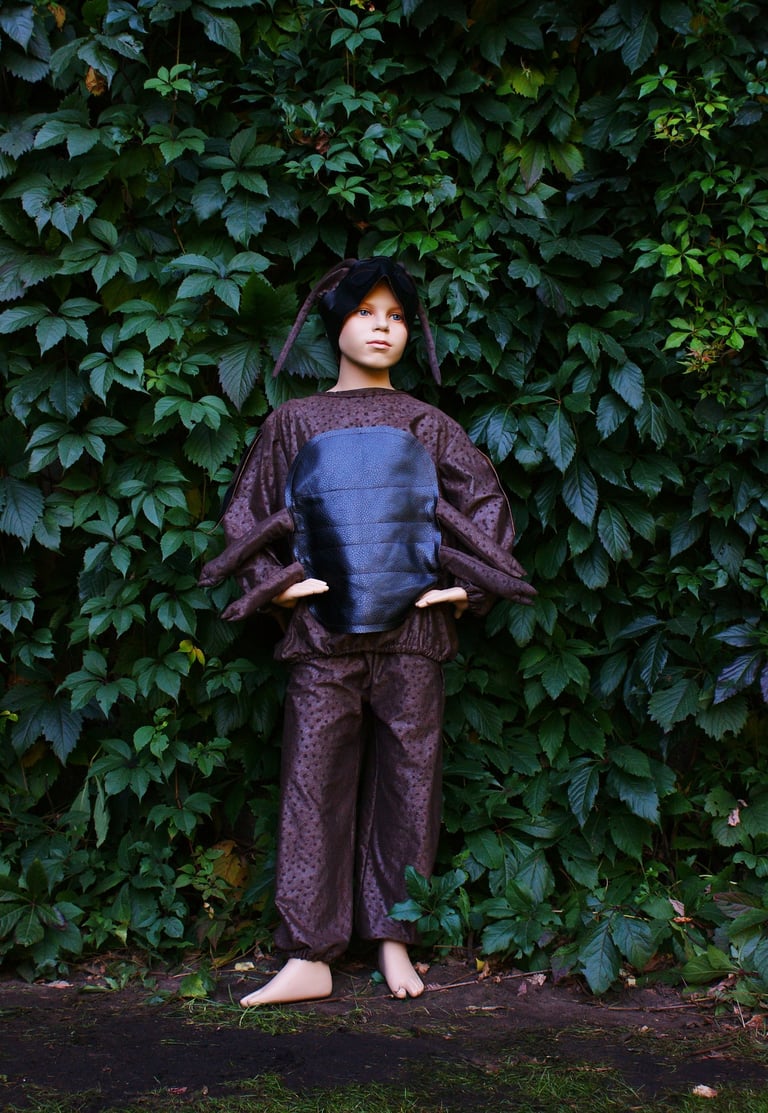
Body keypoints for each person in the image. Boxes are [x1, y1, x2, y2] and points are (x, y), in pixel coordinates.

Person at [199, 257, 535, 1006]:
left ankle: (394, 939)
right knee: (312, 779)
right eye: (366, 312)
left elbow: (484, 502)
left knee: (409, 782)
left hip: (413, 634)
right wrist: (277, 585)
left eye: (397, 316)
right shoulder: (293, 422)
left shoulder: (427, 424)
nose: (383, 327)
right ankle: (308, 952)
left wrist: (469, 585)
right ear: (336, 322)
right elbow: (246, 513)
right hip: (322, 636)